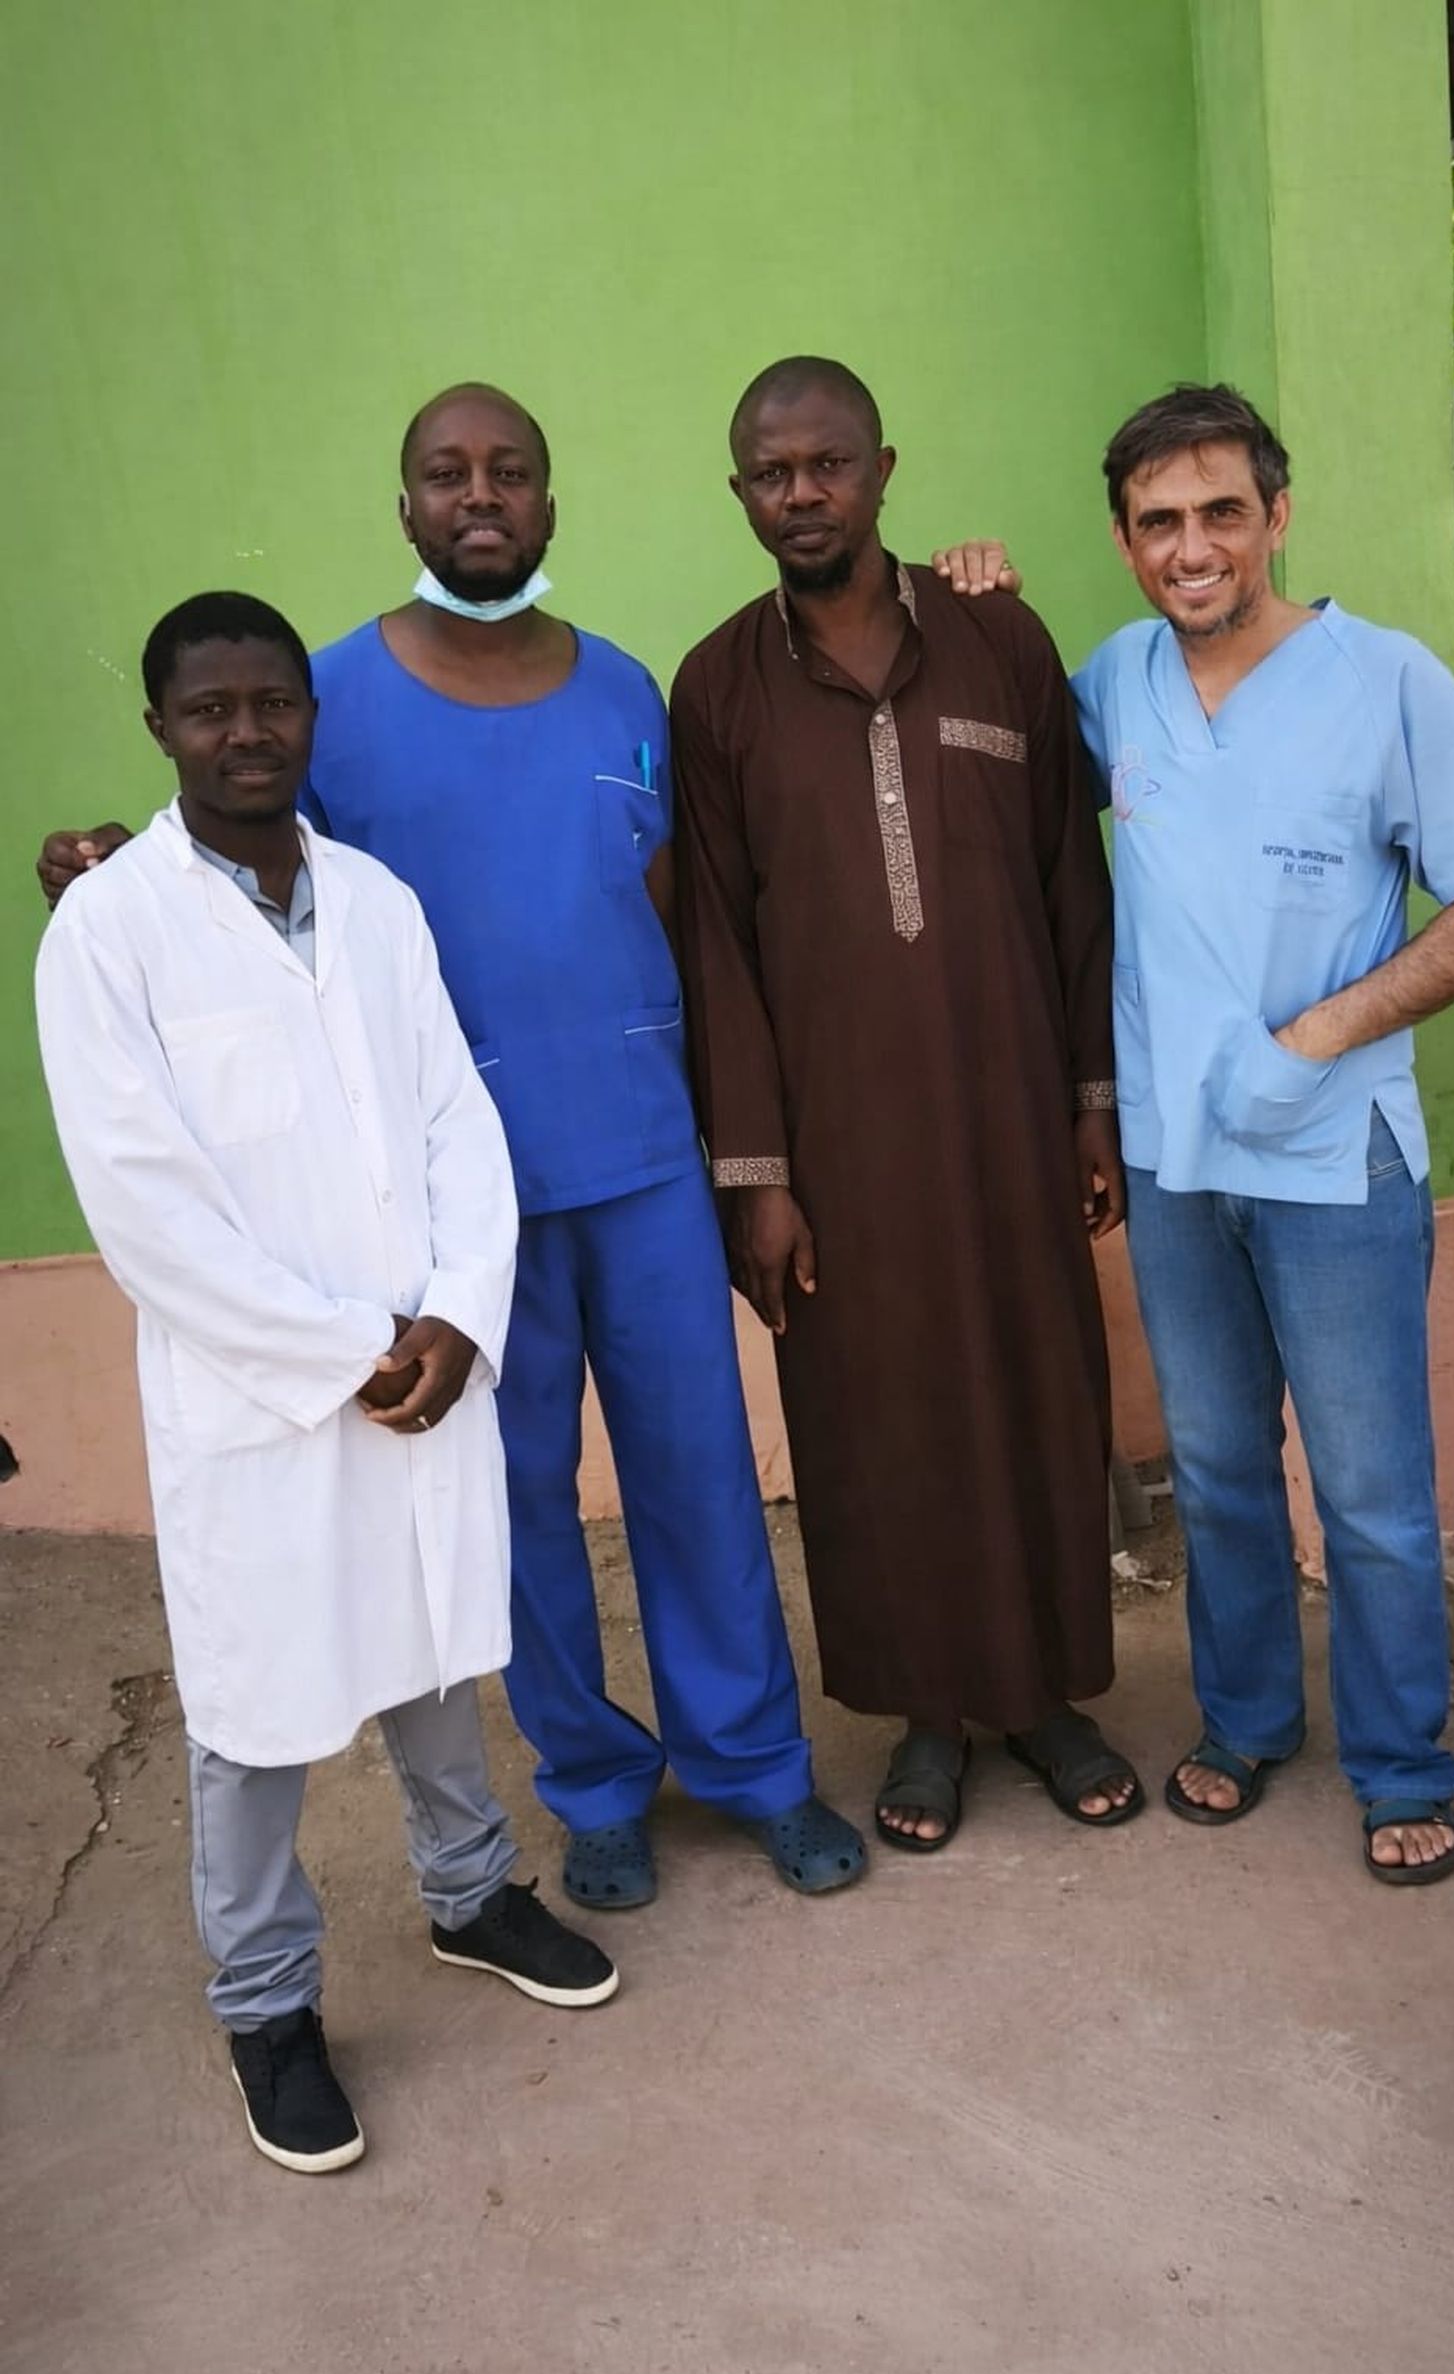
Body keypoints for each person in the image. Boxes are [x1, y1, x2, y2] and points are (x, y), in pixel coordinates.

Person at [36, 385, 865, 1911]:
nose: (481, 496)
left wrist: (742, 1158)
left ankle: (755, 1765)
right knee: (520, 1503)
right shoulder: (328, 701)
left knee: (702, 1483)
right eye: (446, 474)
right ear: (403, 504)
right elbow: (244, 863)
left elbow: (690, 929)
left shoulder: (625, 691)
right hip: (452, 1211)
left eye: (513, 473)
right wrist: (102, 869)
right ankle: (597, 1784)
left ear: (552, 503)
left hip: (644, 1165)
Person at [35, 592, 618, 2176]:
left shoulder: (374, 902)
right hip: (265, 1399)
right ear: (160, 728)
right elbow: (144, 1203)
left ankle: (472, 1894)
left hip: (415, 1360)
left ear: (311, 716)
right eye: (209, 709)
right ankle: (270, 2006)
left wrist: (456, 1316)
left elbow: (453, 1123)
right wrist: (337, 1353)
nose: (245, 732)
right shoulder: (110, 932)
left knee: (430, 1646)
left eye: (272, 703)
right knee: (256, 1709)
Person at [963, 382, 1454, 1884]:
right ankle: (1243, 1723)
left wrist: (1325, 1032)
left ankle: (1402, 1760)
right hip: (1176, 1160)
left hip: (1332, 1155)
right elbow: (1008, 769)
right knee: (1220, 1464)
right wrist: (986, 605)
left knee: (1367, 1490)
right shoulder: (1113, 681)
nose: (1193, 546)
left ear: (1275, 517)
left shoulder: (1384, 679)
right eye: (1159, 522)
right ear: (1124, 541)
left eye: (1222, 511)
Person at [669, 356, 1141, 1854]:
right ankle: (929, 1719)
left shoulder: (1001, 639)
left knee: (1035, 1389)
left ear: (883, 467)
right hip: (840, 1147)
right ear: (740, 492)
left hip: (1009, 1115)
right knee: (879, 1418)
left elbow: (1076, 879)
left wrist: (1089, 1096)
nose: (799, 492)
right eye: (769, 472)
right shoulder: (719, 684)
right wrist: (757, 1171)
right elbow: (717, 946)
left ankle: (1047, 1698)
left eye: (826, 464)